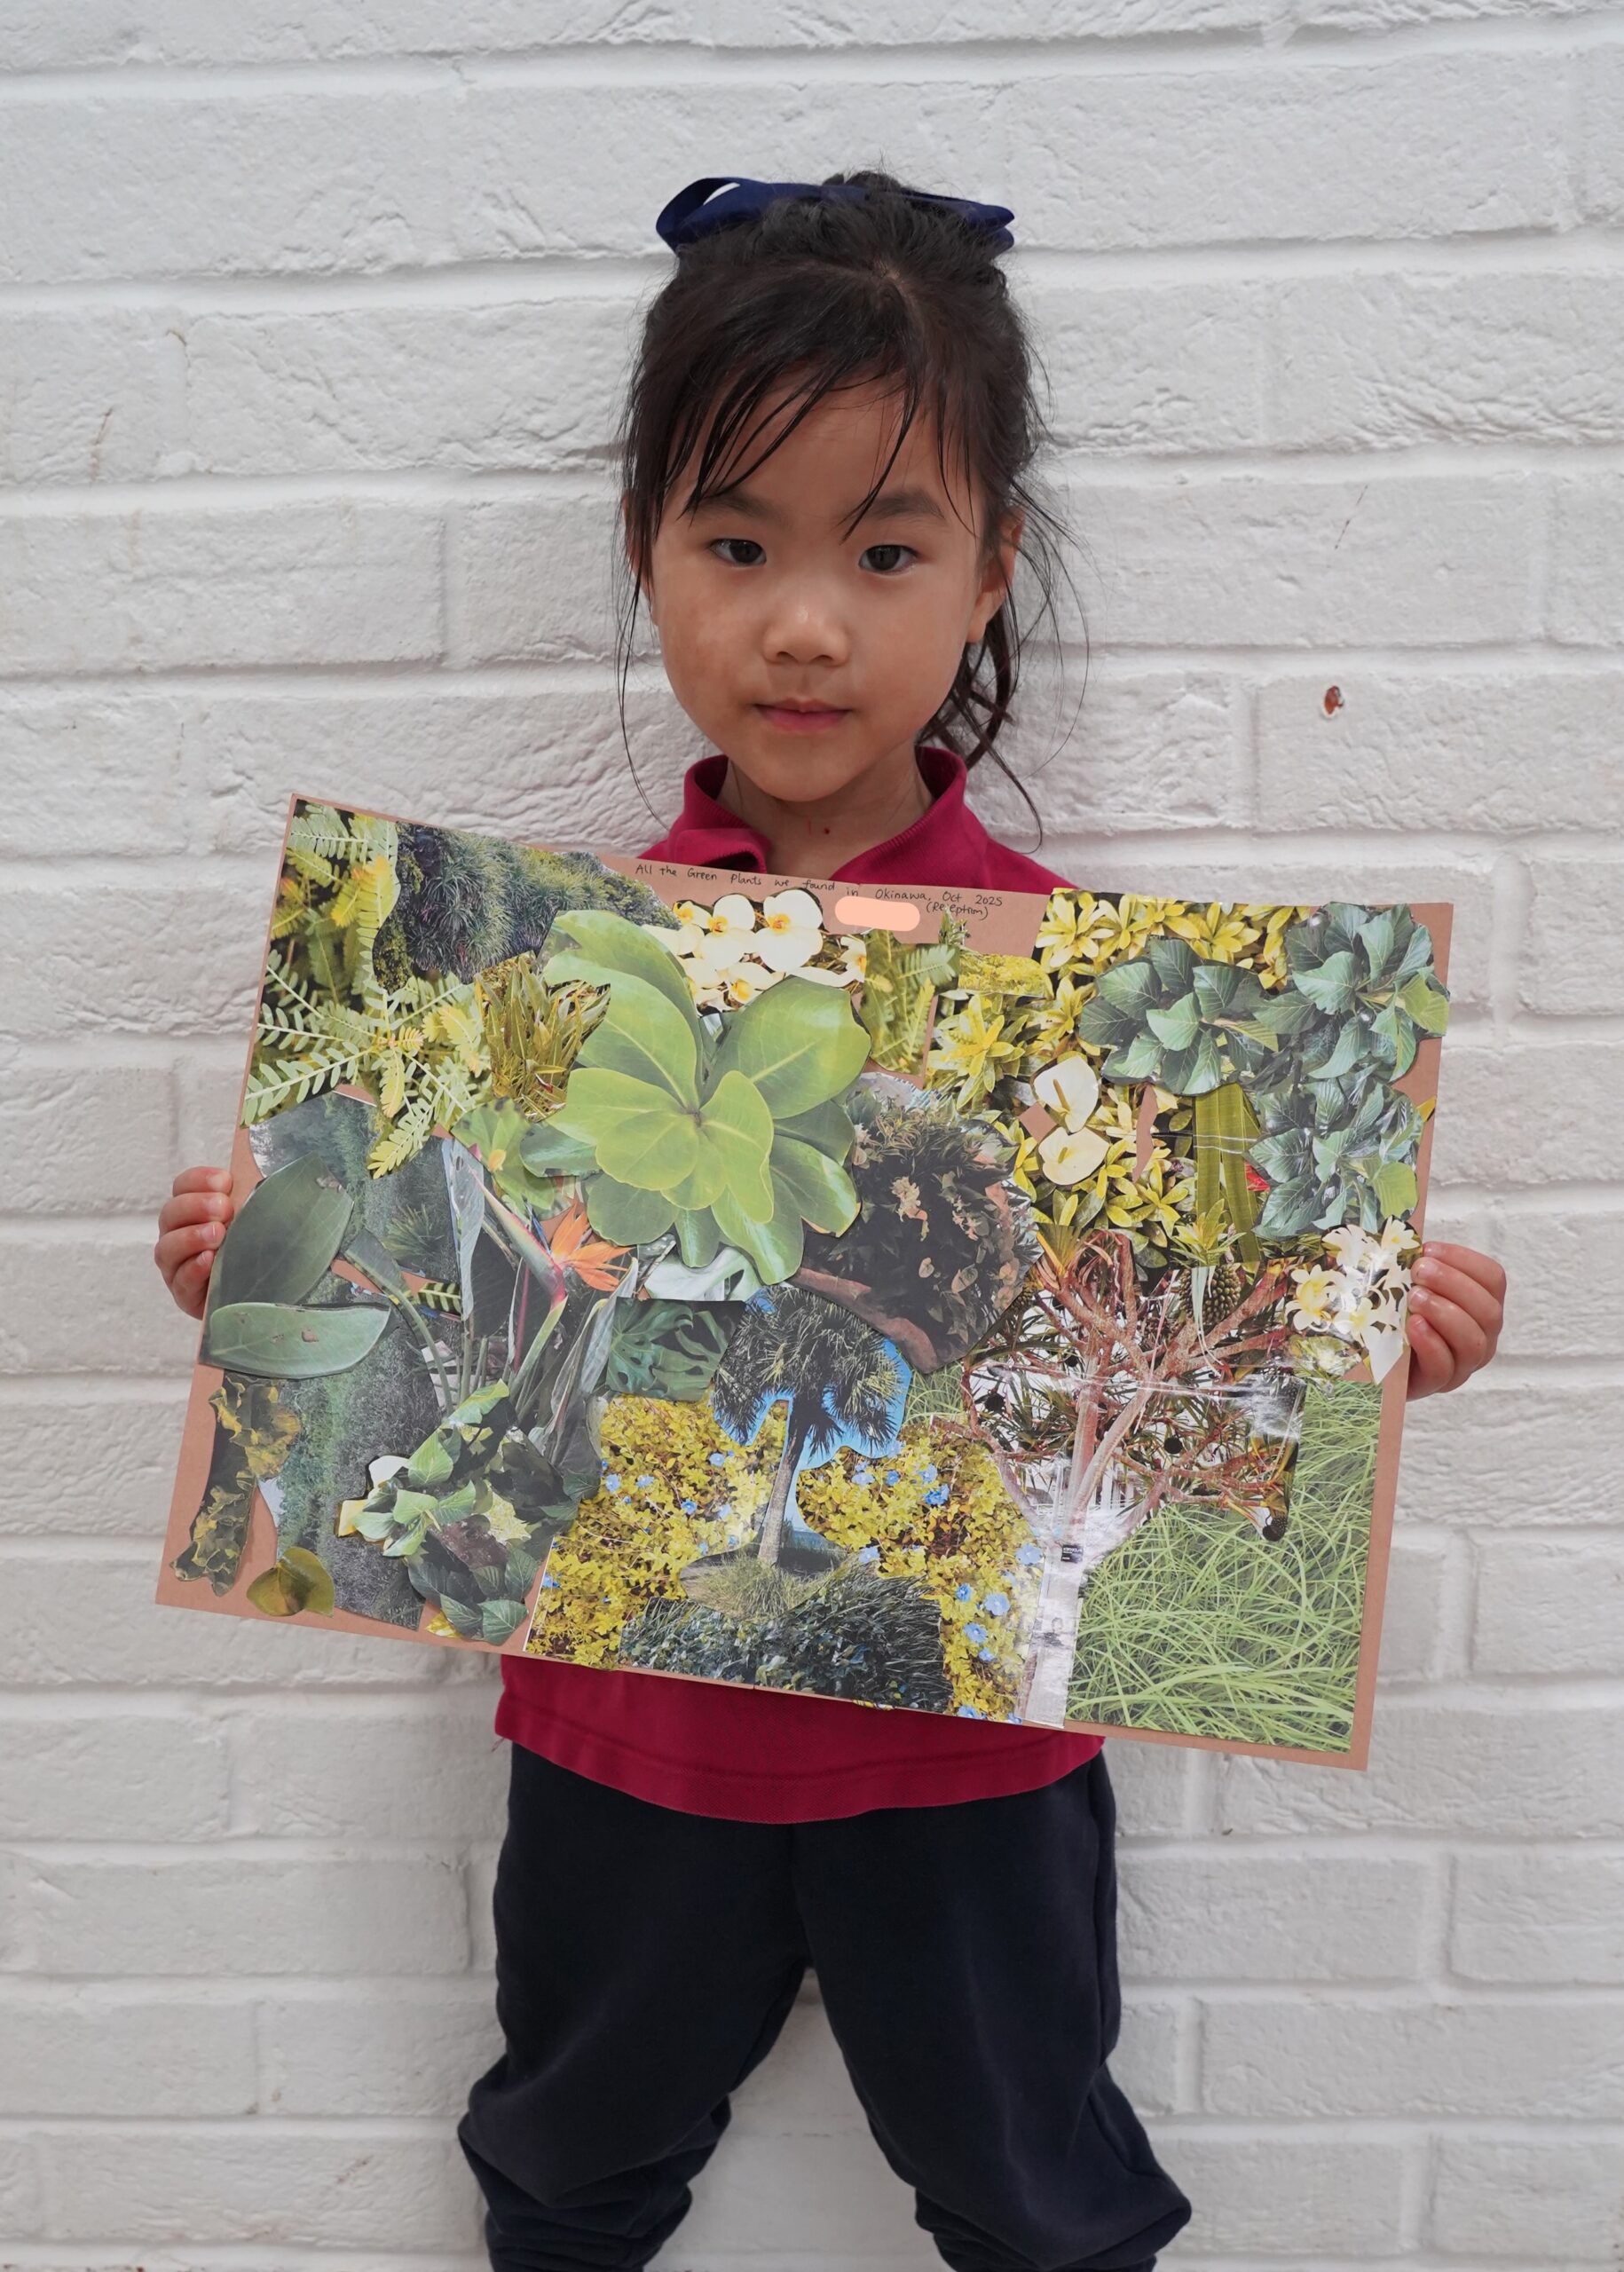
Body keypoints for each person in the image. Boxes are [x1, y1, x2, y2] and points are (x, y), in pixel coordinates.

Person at [154, 171, 1508, 2272]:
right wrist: (269, 1265)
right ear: (647, 554)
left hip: (972, 1763)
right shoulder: (537, 986)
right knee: (566, 2161)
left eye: (885, 551)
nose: (806, 623)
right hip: (621, 1732)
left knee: (1038, 2189)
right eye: (738, 544)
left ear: (990, 572)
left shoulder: (1106, 1015)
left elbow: (1148, 1382)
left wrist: (1361, 1328)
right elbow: (459, 1308)